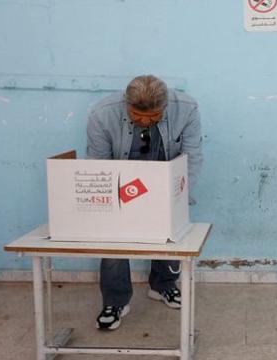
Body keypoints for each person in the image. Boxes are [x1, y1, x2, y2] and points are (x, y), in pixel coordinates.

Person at [86, 75, 202, 330]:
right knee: (114, 236)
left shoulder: (187, 108)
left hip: (165, 175)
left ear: (165, 107)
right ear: (126, 104)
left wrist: (180, 195)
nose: (145, 121)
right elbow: (99, 165)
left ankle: (163, 287)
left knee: (170, 232)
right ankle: (115, 301)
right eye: (138, 116)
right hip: (119, 181)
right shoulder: (101, 114)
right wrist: (112, 202)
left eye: (153, 117)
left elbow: (192, 156)